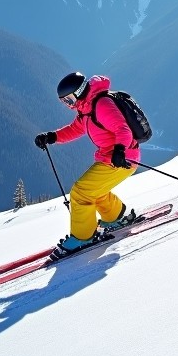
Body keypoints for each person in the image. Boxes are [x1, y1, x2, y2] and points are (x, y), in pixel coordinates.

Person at [34, 71, 140, 259]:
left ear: (80, 91)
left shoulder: (102, 105)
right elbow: (75, 129)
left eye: (68, 100)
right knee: (94, 190)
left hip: (122, 159)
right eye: (64, 102)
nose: (68, 105)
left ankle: (83, 237)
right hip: (111, 157)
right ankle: (116, 218)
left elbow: (122, 129)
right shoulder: (87, 108)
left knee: (81, 191)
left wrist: (120, 151)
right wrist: (53, 136)